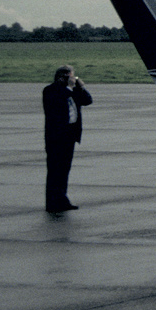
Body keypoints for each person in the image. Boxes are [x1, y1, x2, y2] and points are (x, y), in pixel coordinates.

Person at [42, 65, 92, 214]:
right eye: (71, 76)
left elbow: (88, 101)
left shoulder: (73, 91)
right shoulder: (50, 90)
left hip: (69, 136)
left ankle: (62, 200)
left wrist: (80, 87)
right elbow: (58, 102)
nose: (73, 79)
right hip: (56, 137)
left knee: (64, 170)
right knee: (55, 171)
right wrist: (69, 87)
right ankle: (52, 202)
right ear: (62, 77)